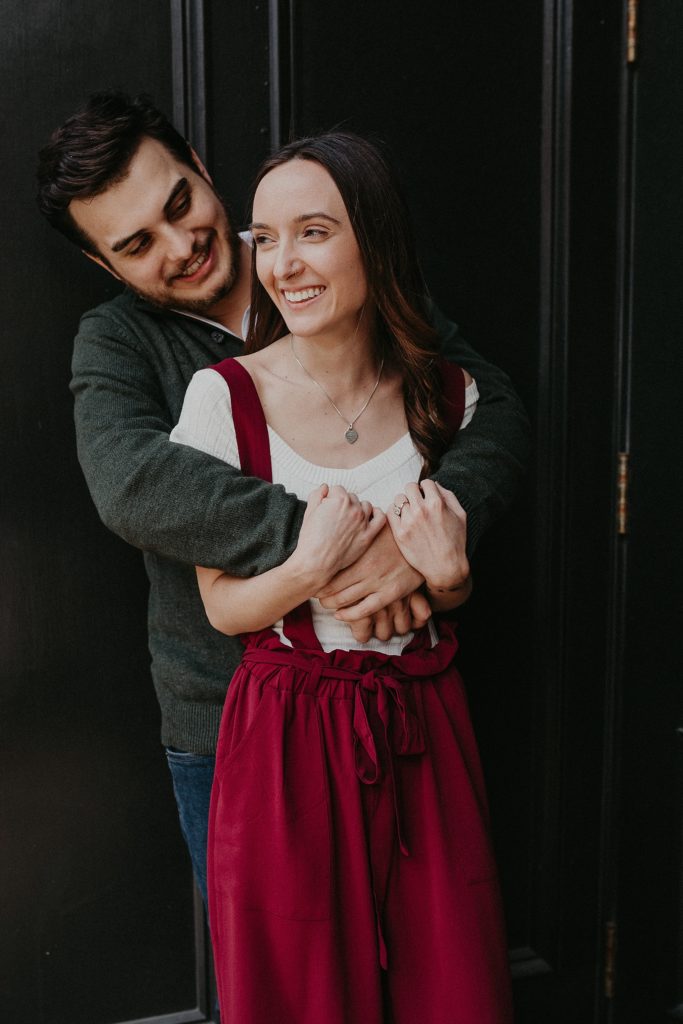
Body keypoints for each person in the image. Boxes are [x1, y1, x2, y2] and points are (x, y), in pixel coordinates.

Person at [35, 92, 529, 911]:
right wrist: (335, 547)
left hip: (396, 695)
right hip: (228, 721)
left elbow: (495, 407)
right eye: (136, 244)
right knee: (279, 983)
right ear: (102, 265)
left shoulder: (332, 260)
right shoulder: (118, 342)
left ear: (198, 162)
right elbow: (132, 483)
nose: (181, 244)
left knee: (424, 956)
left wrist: (425, 529)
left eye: (181, 203)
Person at [171, 132, 514, 1023]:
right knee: (302, 996)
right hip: (283, 733)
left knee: (451, 986)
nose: (283, 264)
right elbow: (223, 608)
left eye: (312, 232)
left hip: (422, 719)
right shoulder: (223, 399)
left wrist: (451, 583)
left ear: (374, 237)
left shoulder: (448, 398)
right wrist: (311, 564)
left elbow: (443, 584)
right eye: (266, 237)